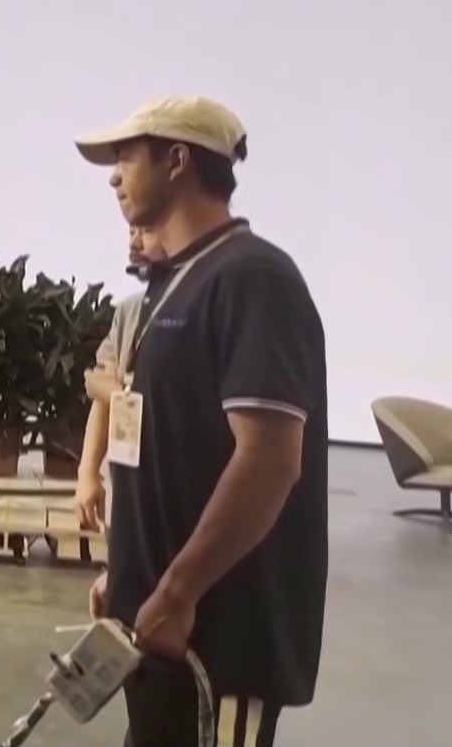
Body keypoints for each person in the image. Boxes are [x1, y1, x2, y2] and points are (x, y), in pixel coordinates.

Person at [72, 96, 328, 747]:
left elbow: (269, 459)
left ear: (178, 160)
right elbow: (170, 453)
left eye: (126, 156)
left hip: (219, 646)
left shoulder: (253, 278)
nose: (113, 176)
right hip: (159, 628)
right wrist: (130, 576)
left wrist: (179, 590)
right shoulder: (171, 286)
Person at [73, 225, 166, 532]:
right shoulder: (130, 310)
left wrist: (117, 392)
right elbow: (102, 392)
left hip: (177, 494)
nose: (134, 242)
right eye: (131, 232)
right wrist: (88, 473)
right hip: (127, 484)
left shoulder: (196, 311)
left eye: (147, 230)